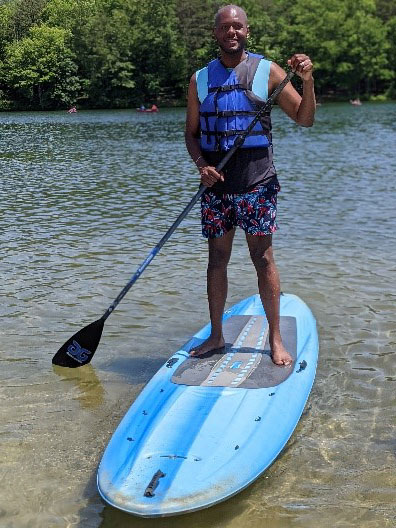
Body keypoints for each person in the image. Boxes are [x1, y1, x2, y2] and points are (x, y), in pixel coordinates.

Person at [185, 4, 316, 366]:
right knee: (217, 260)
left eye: (238, 26)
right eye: (225, 27)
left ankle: (275, 339)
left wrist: (307, 81)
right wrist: (201, 166)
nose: (232, 32)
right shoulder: (200, 79)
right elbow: (191, 134)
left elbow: (305, 119)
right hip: (217, 188)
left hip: (257, 184)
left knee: (263, 259)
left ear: (247, 31)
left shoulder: (269, 71)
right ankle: (215, 335)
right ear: (215, 33)